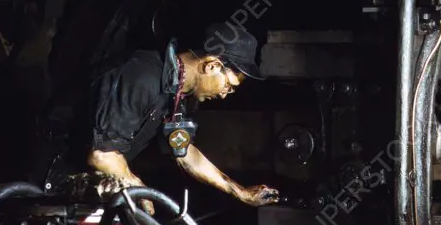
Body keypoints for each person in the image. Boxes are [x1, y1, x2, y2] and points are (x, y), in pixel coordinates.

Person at [39, 23, 280, 207]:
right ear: (212, 65)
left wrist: (239, 192)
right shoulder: (142, 77)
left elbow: (184, 152)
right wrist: (142, 194)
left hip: (81, 188)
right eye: (228, 85)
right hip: (48, 183)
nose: (226, 94)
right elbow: (102, 155)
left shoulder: (176, 92)